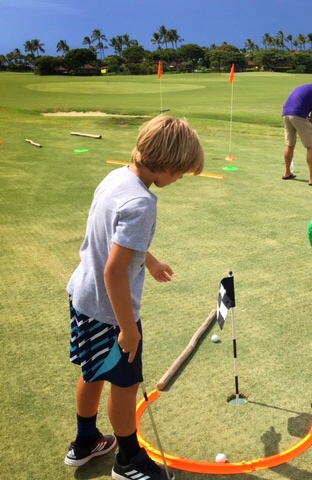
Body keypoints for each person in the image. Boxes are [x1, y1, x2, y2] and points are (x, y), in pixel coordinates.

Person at [64, 115, 205, 479]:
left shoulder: (116, 178)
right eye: (180, 173)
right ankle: (128, 460)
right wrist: (128, 329)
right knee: (125, 387)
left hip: (83, 297)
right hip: (110, 313)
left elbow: (117, 242)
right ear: (168, 164)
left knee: (92, 372)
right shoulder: (143, 203)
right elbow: (114, 272)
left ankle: (85, 442)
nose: (178, 180)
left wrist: (151, 261)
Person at [281, 79, 312, 185]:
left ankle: (287, 172)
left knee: (290, 144)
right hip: (298, 114)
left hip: (285, 114)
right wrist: (311, 127)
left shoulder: (301, 87)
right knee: (311, 145)